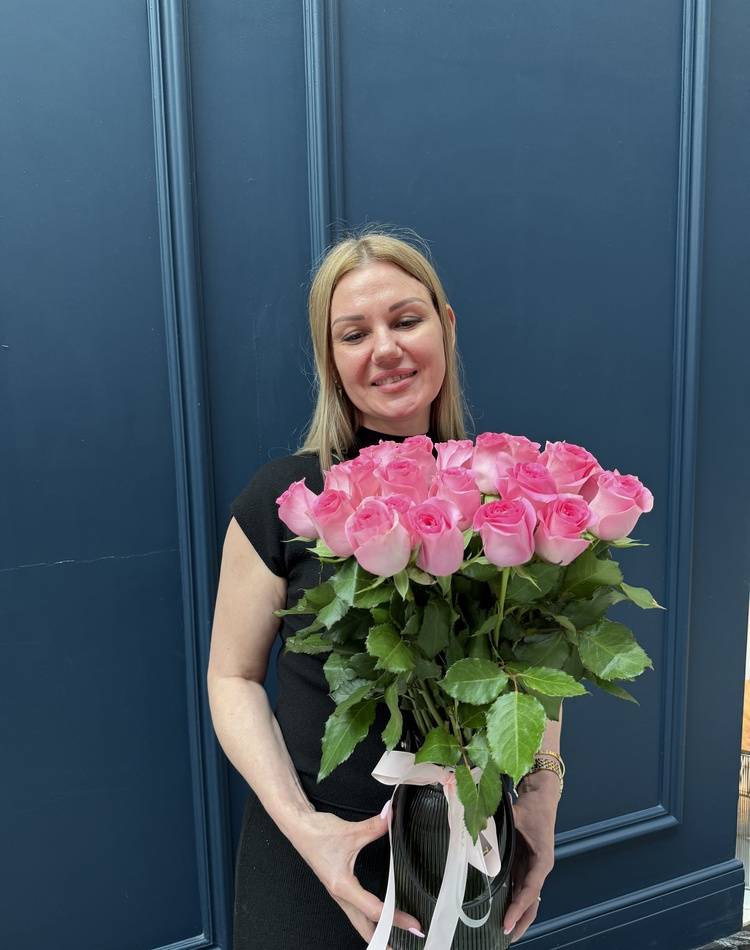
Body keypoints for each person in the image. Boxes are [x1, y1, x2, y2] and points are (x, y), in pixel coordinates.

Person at [206, 227, 563, 949]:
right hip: (317, 847)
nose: (386, 349)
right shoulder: (287, 500)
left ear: (446, 325)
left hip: (471, 834)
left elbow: (535, 662)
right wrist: (305, 829)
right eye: (354, 334)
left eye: (406, 320)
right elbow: (231, 676)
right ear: (331, 359)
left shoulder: (510, 495)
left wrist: (540, 797)